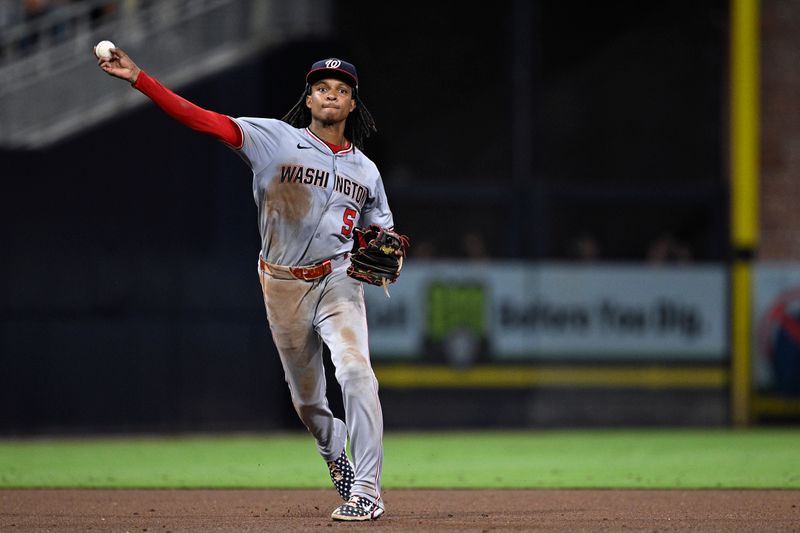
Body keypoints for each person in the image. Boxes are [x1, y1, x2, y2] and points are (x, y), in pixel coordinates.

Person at [98, 49, 401, 522]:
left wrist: (384, 244)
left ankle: (367, 490)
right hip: (281, 284)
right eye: (323, 87)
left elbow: (383, 231)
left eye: (342, 91)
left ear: (352, 106)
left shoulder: (367, 170)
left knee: (357, 373)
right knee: (308, 403)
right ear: (309, 98)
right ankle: (331, 449)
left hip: (338, 280)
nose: (331, 95)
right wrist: (139, 78)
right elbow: (199, 118)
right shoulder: (272, 139)